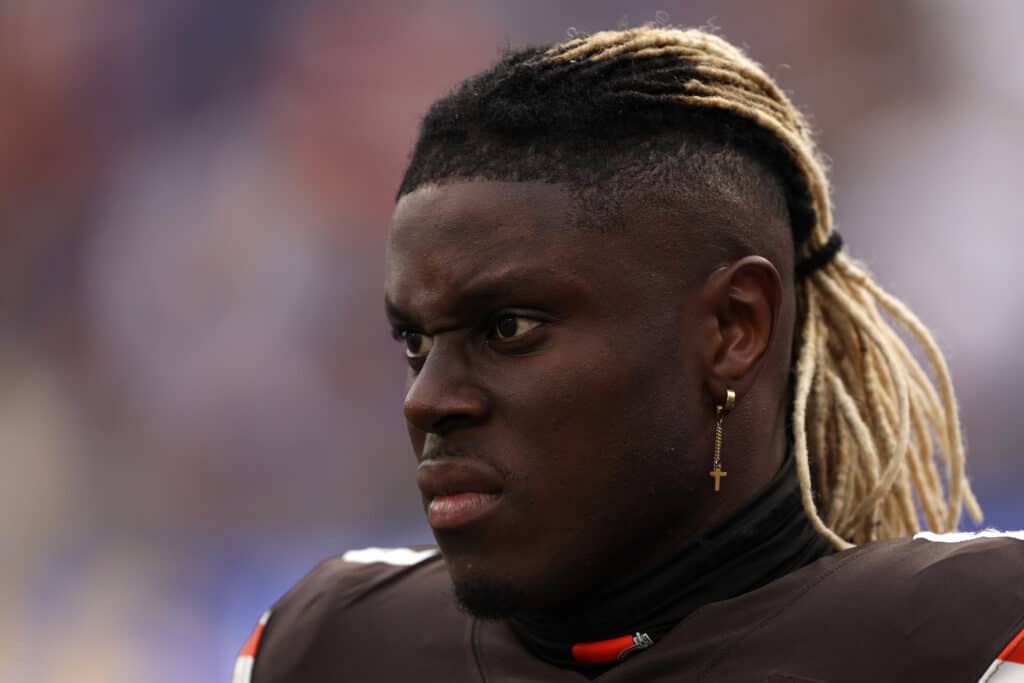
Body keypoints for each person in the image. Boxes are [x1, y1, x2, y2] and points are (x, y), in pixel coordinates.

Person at [233, 27, 1024, 682]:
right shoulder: (327, 645)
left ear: (732, 329)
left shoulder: (963, 637)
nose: (428, 400)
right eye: (415, 340)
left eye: (508, 328)